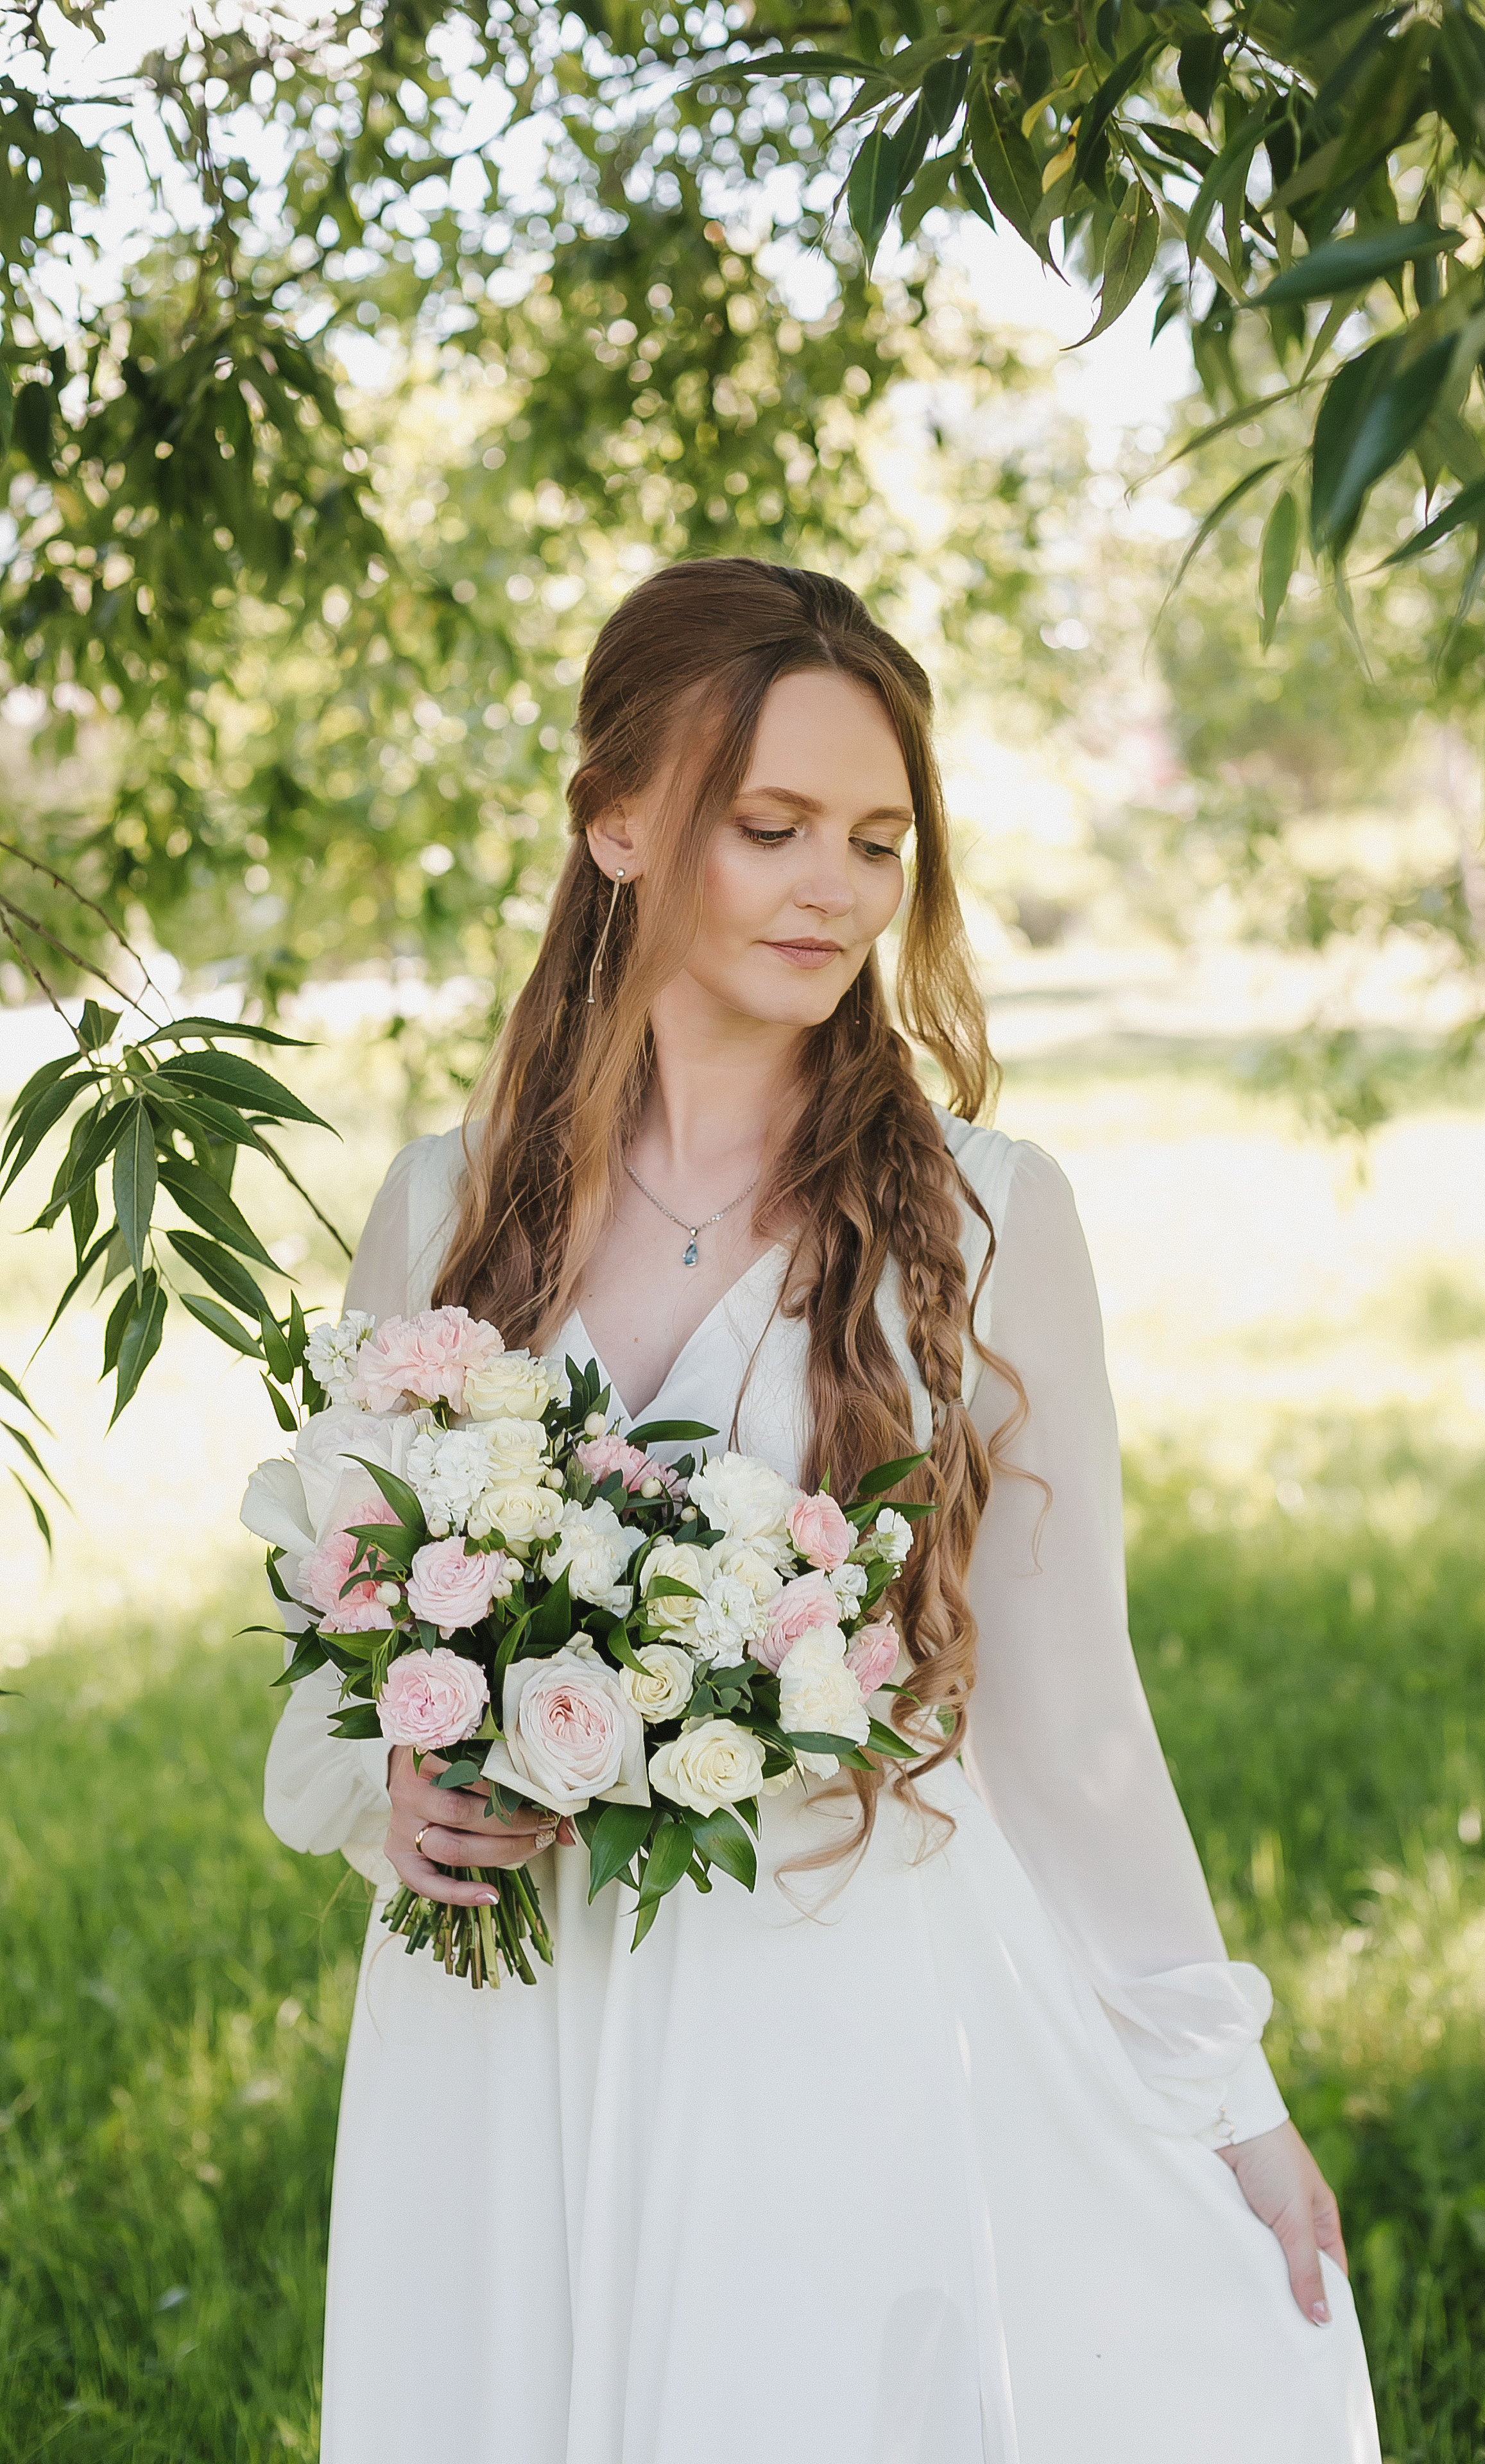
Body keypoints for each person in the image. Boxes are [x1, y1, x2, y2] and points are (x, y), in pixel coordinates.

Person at [264, 558, 1379, 2463]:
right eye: (769, 827)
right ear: (618, 820)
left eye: (877, 841)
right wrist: (406, 1792)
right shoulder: (442, 1209)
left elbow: (1071, 1703)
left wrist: (1229, 2101)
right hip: (510, 2014)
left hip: (826, 1973)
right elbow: (342, 1648)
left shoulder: (989, 1214)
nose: (833, 890)